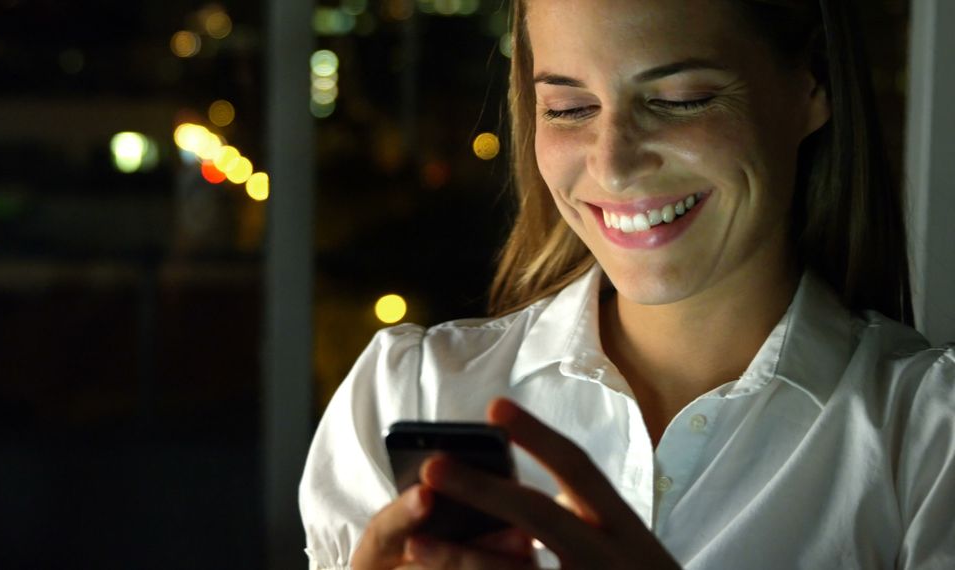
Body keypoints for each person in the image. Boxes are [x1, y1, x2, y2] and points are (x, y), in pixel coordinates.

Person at [300, 0, 955, 568]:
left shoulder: (929, 443)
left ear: (810, 83)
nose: (611, 164)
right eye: (569, 107)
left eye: (678, 101)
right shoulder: (409, 394)